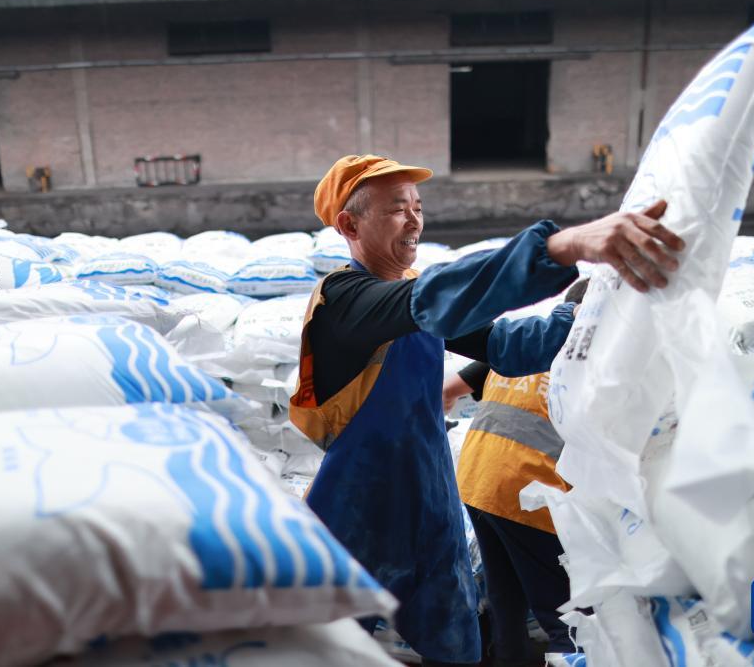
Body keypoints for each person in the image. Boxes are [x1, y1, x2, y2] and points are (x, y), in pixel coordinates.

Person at [288, 154, 683, 666]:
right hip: (359, 512)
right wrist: (564, 246)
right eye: (397, 208)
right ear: (349, 224)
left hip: (431, 507)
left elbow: (507, 346)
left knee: (458, 652)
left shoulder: (414, 302)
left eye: (418, 207)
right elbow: (433, 296)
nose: (414, 220)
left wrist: (596, 312)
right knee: (326, 652)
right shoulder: (344, 301)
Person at [444, 279, 589, 667]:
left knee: (505, 605)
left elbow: (448, 389)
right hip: (526, 489)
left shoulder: (526, 343)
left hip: (475, 478)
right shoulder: (595, 356)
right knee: (567, 616)